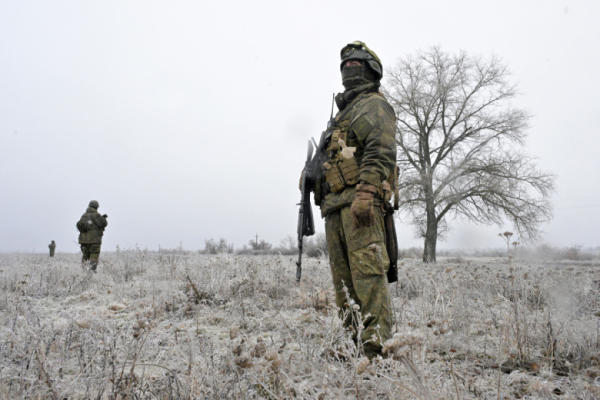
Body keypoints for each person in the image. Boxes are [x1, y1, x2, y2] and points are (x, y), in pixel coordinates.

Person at [310, 41, 397, 359]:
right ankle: (354, 345)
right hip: (335, 207)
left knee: (368, 277)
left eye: (355, 64)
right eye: (344, 65)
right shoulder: (343, 115)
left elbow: (380, 149)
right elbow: (332, 159)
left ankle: (376, 351)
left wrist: (366, 192)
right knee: (344, 284)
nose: (348, 68)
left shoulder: (372, 105)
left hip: (359, 205)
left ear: (371, 69)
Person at [76, 200, 108, 272]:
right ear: (96, 207)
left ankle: (84, 271)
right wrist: (103, 218)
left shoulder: (84, 215)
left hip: (84, 241)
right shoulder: (96, 215)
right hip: (94, 240)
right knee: (94, 255)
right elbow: (103, 224)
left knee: (85, 255)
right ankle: (92, 271)